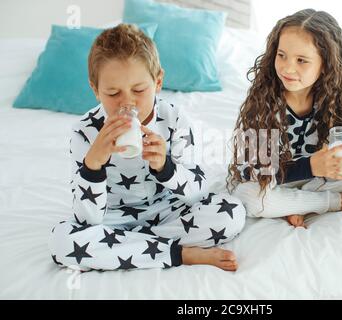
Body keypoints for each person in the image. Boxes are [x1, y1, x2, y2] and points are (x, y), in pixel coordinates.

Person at [48, 24, 246, 272]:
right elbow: (87, 218)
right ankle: (179, 254)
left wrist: (166, 168)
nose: (127, 102)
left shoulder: (174, 119)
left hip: (168, 211)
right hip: (112, 219)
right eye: (112, 93)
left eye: (139, 90)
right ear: (95, 90)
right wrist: (93, 165)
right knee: (62, 242)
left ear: (158, 81)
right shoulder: (84, 132)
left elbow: (198, 192)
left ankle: (131, 249)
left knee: (231, 213)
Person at [227, 9, 342, 228]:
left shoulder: (331, 99)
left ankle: (294, 205)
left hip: (314, 180)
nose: (287, 67)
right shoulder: (264, 102)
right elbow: (253, 172)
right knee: (251, 196)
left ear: (326, 66)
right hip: (277, 178)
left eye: (302, 60)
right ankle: (333, 203)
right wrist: (311, 167)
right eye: (281, 55)